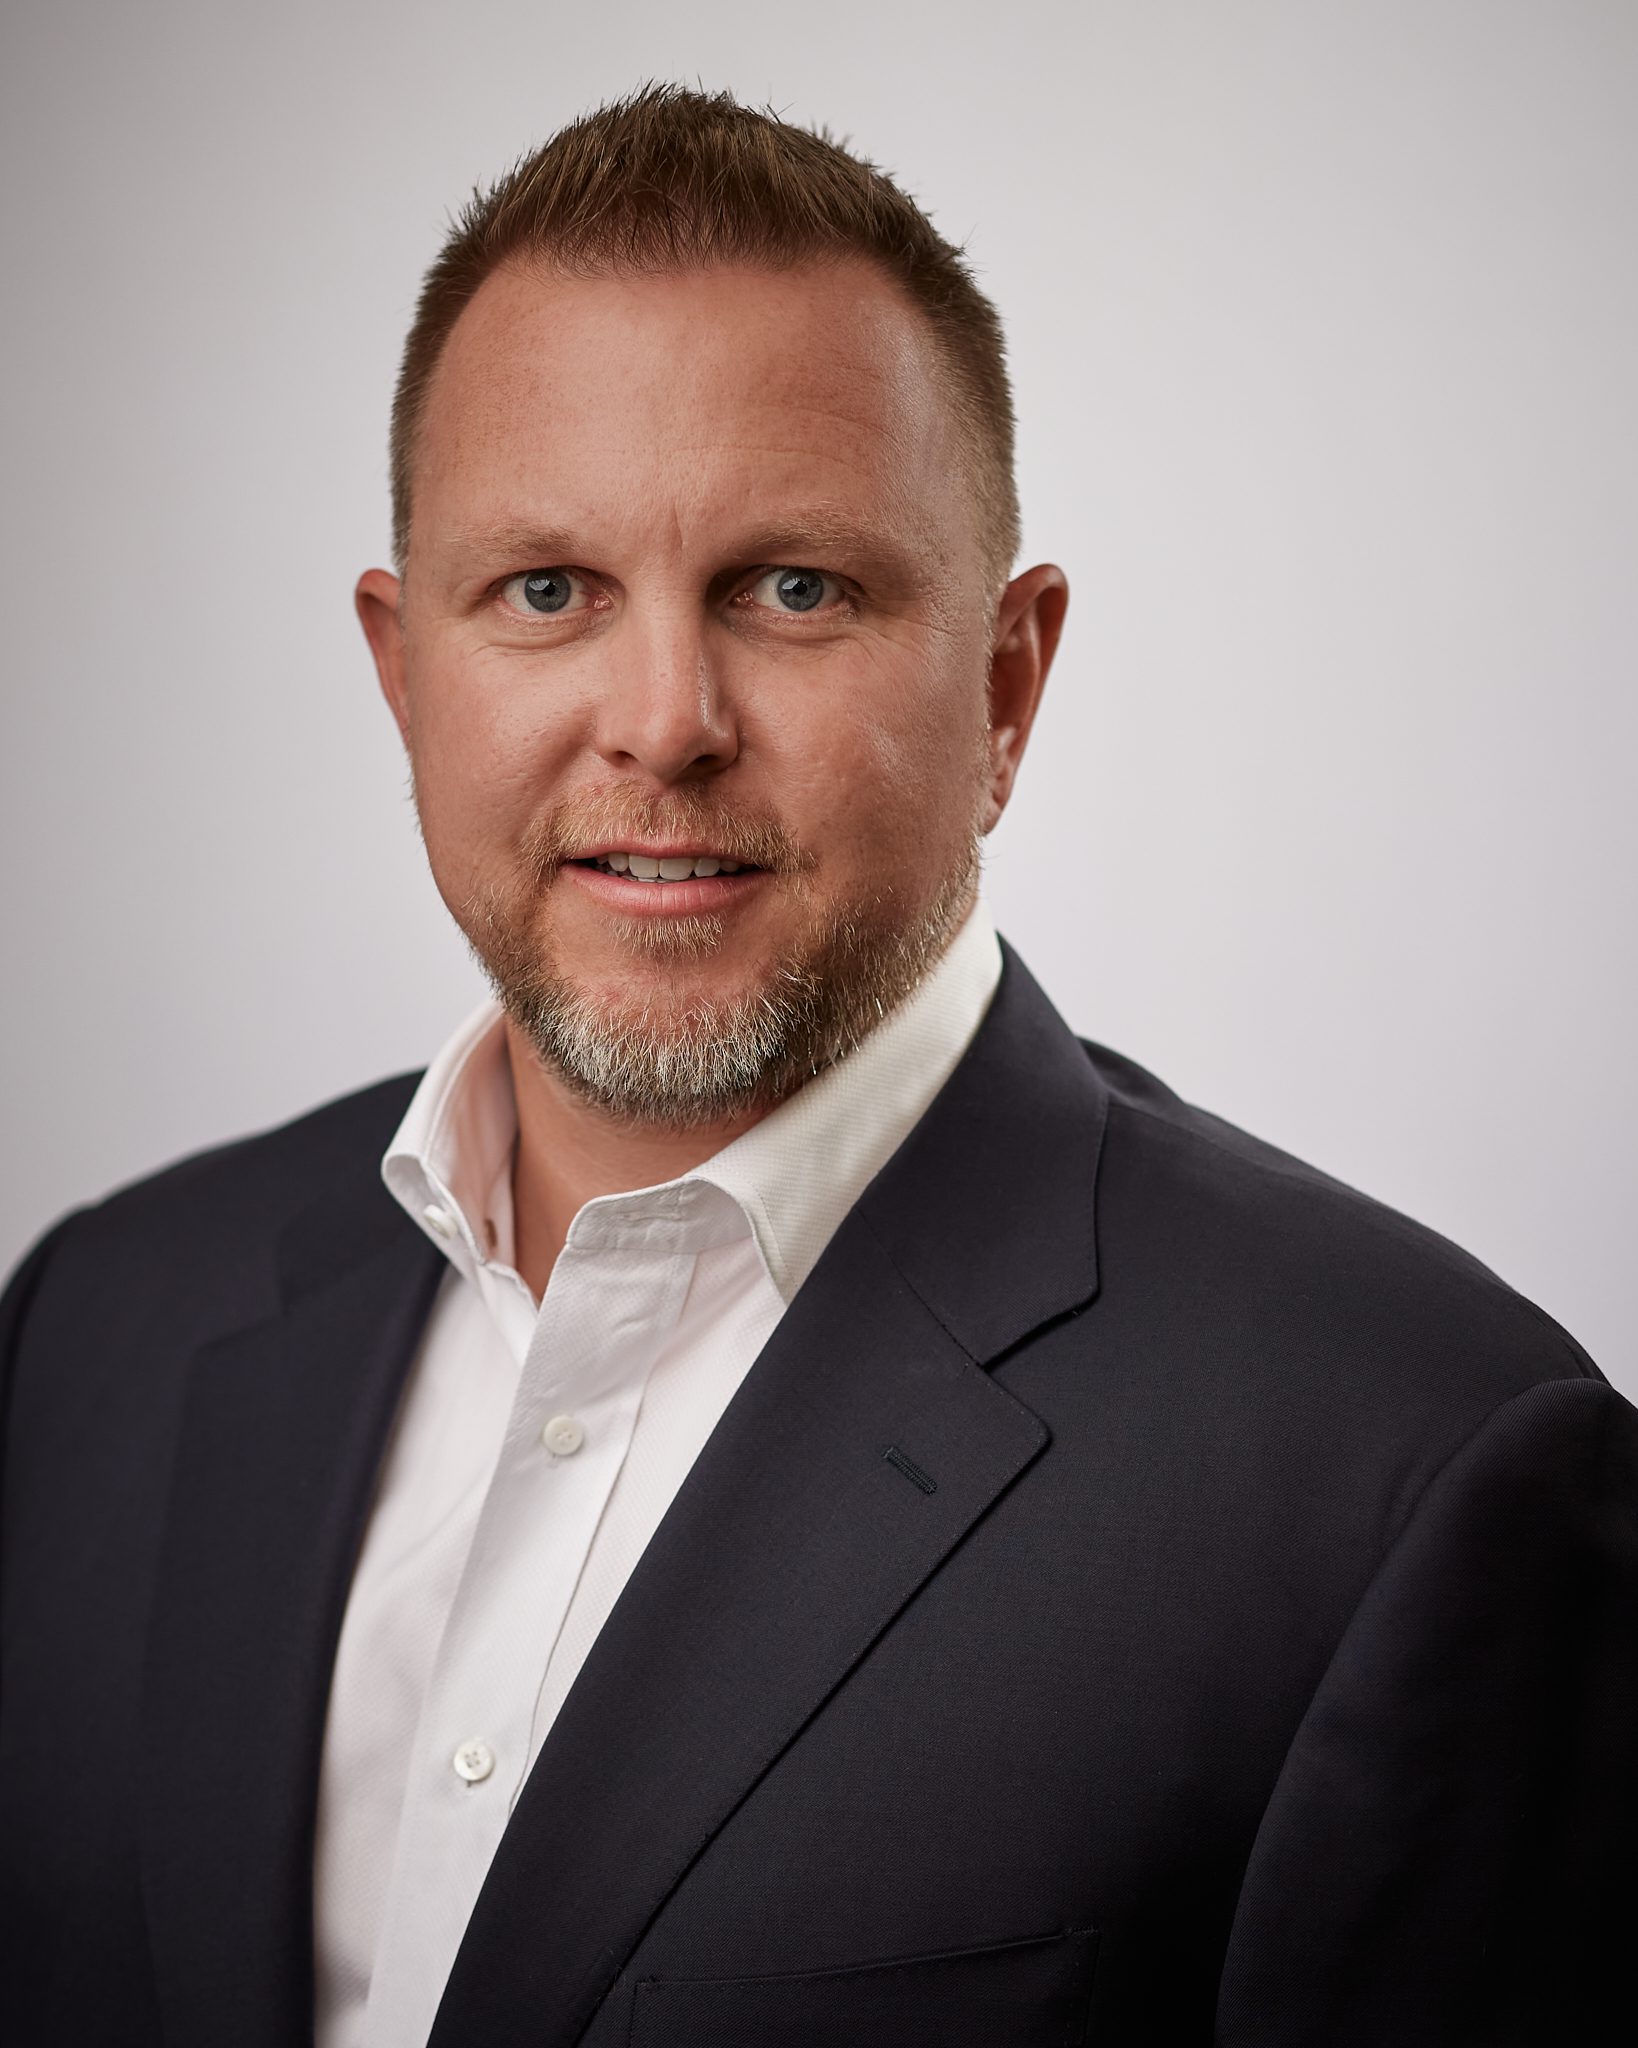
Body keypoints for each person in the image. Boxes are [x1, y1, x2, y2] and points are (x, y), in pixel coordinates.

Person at [1, 83, 1633, 2048]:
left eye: (793, 589)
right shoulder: (94, 1324)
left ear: (1005, 689)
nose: (663, 723)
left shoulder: (1411, 1469)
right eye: (546, 590)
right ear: (402, 671)